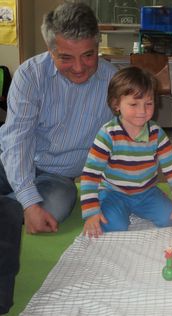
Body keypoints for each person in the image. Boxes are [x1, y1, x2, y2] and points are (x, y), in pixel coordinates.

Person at [0, 3, 116, 312]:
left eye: (88, 55)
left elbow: (119, 143)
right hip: (8, 159)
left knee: (53, 207)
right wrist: (26, 199)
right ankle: (13, 207)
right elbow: (16, 139)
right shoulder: (30, 74)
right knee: (27, 201)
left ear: (97, 44)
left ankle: (8, 211)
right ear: (51, 51)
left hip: (58, 176)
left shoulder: (113, 82)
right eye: (66, 57)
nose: (79, 68)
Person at [81, 67, 172, 238]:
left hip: (147, 192)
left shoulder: (157, 133)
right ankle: (107, 205)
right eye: (133, 104)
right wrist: (91, 212)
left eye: (149, 103)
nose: (142, 111)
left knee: (171, 219)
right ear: (116, 104)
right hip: (114, 193)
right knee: (113, 227)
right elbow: (90, 176)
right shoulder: (107, 134)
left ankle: (147, 204)